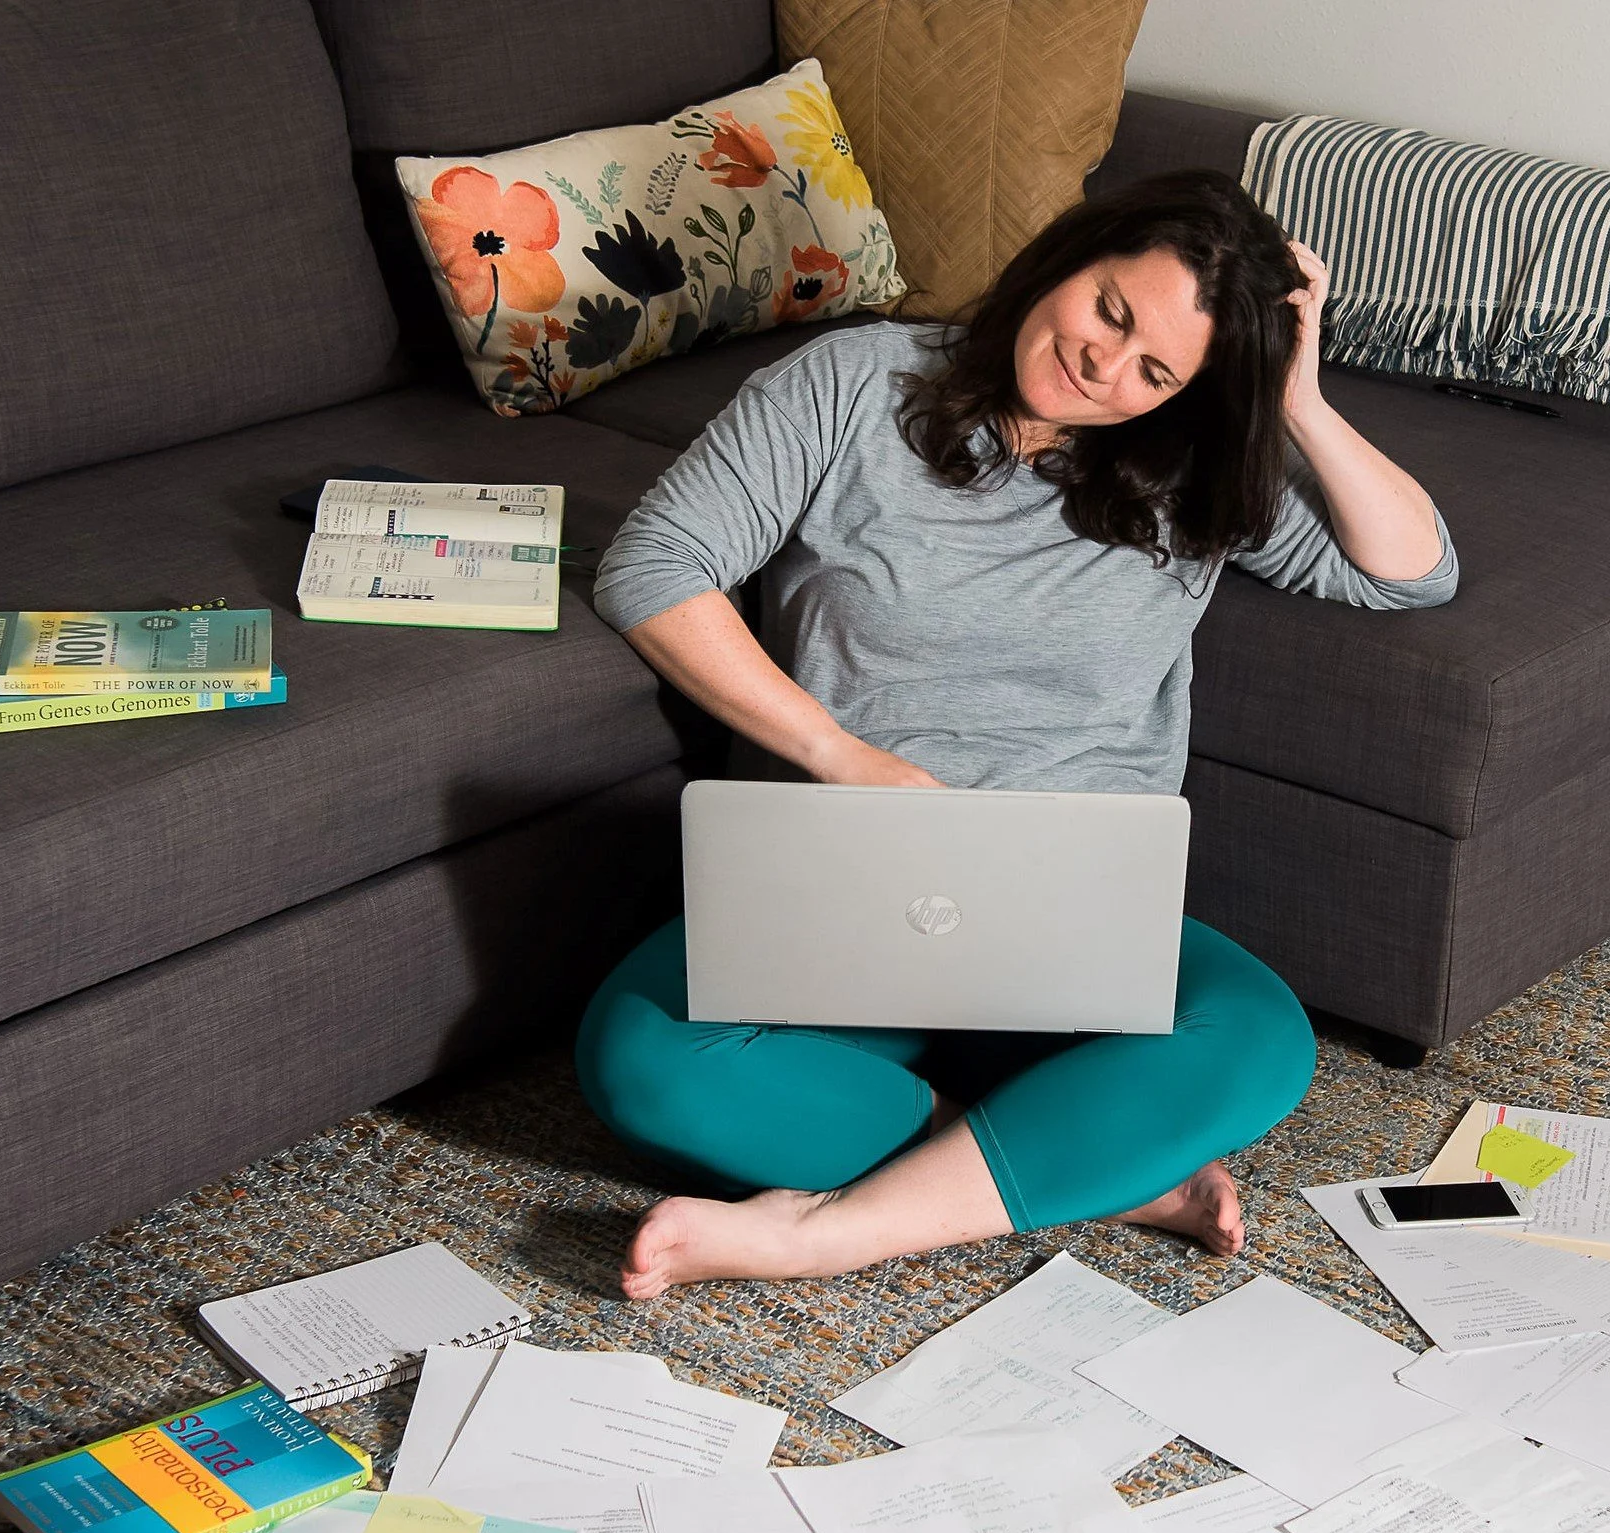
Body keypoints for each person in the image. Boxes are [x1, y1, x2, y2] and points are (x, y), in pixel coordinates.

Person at [579, 169, 1456, 1299]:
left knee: (1259, 1039)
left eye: (1154, 369)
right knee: (643, 1061)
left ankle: (827, 1230)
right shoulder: (850, 384)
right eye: (1111, 311)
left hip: (1075, 912)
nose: (1104, 366)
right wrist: (841, 757)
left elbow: (1411, 574)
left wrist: (1296, 398)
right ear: (1067, 256)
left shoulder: (1191, 469)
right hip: (844, 876)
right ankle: (1090, 1161)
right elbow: (653, 566)